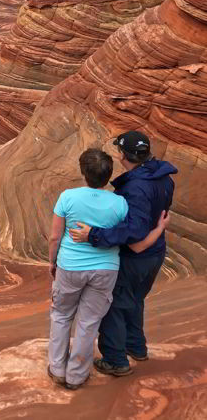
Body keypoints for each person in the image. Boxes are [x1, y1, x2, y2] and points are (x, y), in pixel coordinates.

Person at [48, 148, 168, 390]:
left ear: (83, 172)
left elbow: (54, 237)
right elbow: (129, 237)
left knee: (61, 316)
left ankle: (57, 368)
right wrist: (159, 229)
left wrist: (53, 262)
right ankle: (77, 375)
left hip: (70, 266)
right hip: (105, 270)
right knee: (89, 322)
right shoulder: (120, 203)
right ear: (108, 174)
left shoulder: (67, 197)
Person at [69, 131, 177, 377]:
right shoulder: (163, 177)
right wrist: (158, 230)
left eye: (119, 150)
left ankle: (116, 361)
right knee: (134, 300)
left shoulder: (136, 187)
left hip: (136, 258)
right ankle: (136, 347)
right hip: (155, 252)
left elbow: (135, 231)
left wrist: (94, 235)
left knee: (114, 306)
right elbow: (154, 217)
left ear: (124, 156)